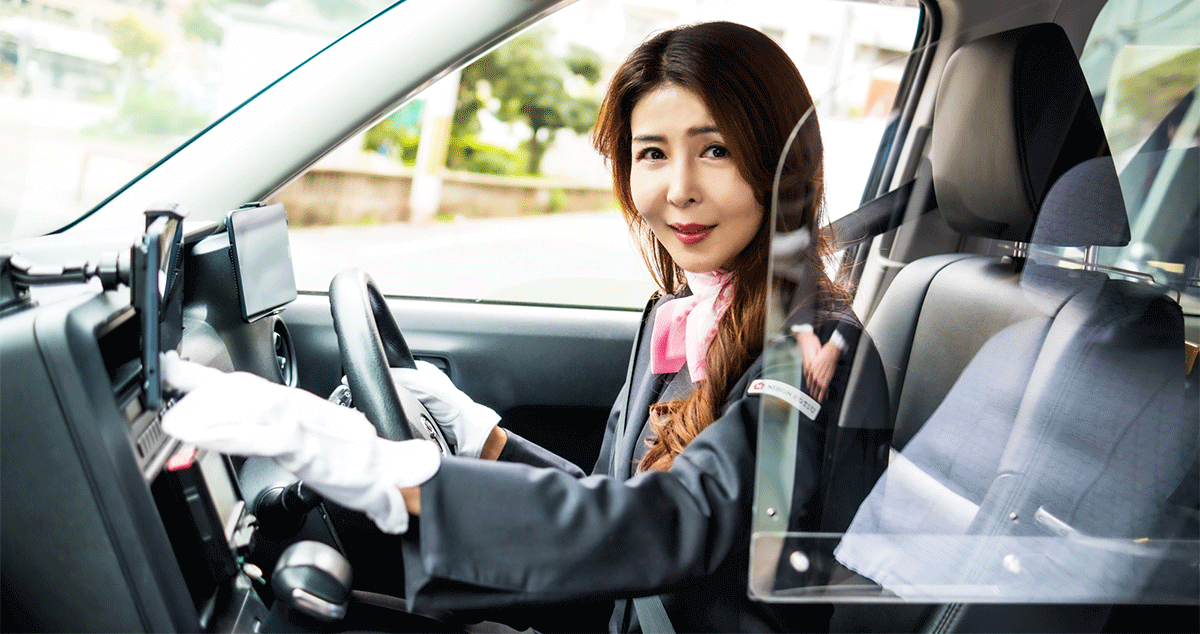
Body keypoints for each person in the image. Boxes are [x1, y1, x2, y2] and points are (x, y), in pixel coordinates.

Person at [162, 21, 888, 633]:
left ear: (782, 167)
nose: (679, 189)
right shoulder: (677, 314)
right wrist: (485, 438)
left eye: (716, 150)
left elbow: (672, 524)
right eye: (652, 153)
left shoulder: (817, 346)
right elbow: (610, 506)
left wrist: (386, 470)